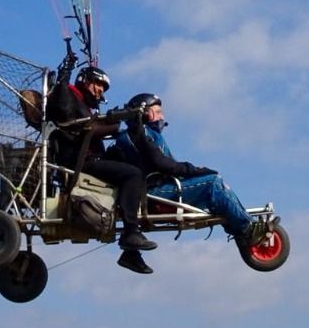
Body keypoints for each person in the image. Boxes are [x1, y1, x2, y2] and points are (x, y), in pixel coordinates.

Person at [112, 93, 267, 245]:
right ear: (145, 113)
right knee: (213, 182)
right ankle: (248, 229)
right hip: (155, 192)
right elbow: (162, 164)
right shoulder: (139, 134)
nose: (162, 117)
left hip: (160, 188)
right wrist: (194, 170)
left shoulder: (141, 134)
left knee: (214, 184)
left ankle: (241, 227)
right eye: (158, 112)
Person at [45, 65, 157, 274]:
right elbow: (72, 121)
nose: (101, 91)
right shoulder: (69, 95)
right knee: (132, 175)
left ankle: (131, 253)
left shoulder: (84, 105)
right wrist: (63, 78)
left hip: (90, 158)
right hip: (81, 163)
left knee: (135, 163)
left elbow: (90, 125)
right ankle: (131, 232)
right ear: (85, 81)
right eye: (99, 85)